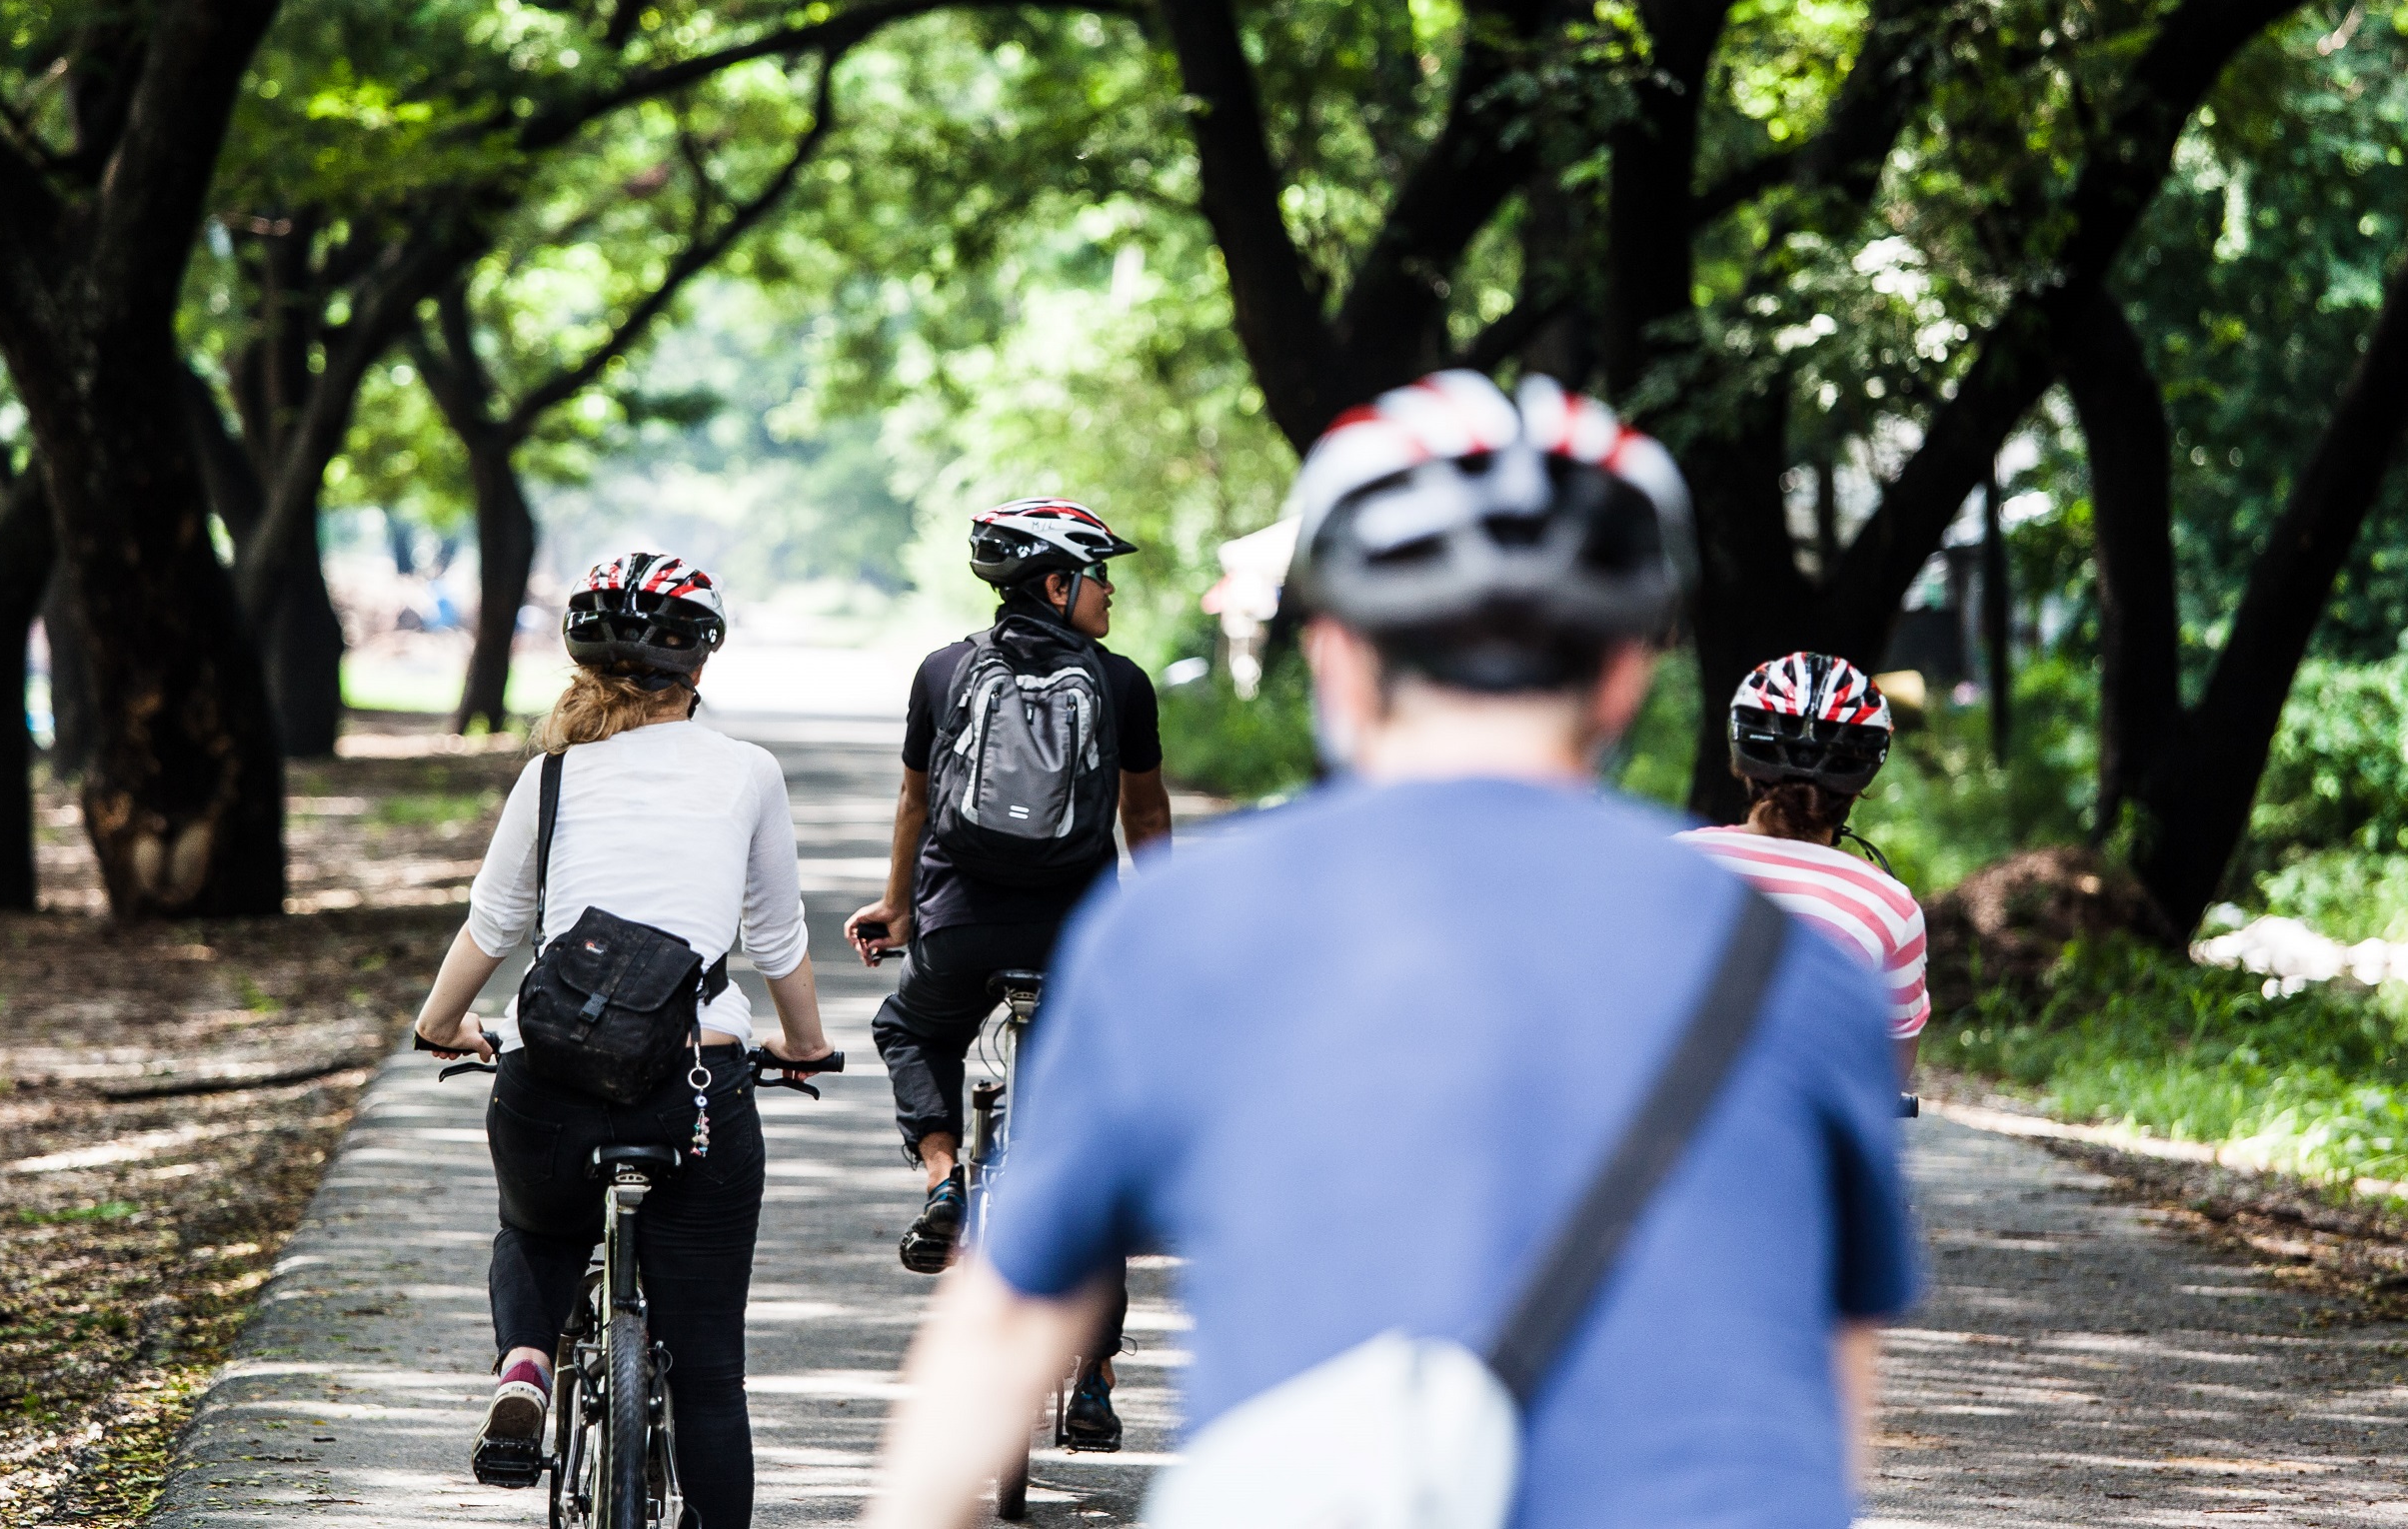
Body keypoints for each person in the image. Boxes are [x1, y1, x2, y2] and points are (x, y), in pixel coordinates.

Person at [863, 372, 1919, 1529]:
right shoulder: (1796, 968)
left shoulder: (1184, 931)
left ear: (1334, 655)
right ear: (1625, 673)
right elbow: (1830, 1384)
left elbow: (1003, 1334)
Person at [411, 553, 835, 1529]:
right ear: (700, 662)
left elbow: (492, 925)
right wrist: (804, 1045)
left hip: (550, 1074)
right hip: (695, 1084)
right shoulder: (748, 771)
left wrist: (439, 1026)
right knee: (710, 1378)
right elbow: (775, 937)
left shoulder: (551, 775)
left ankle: (527, 1360)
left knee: (534, 1228)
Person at [843, 496, 1171, 1450]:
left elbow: (914, 802)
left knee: (912, 1028)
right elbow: (1146, 819)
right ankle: (1095, 1377)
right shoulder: (1121, 683)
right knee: (1089, 1151)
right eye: (1099, 576)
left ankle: (945, 1176)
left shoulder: (942, 672)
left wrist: (898, 906)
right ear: (1056, 584)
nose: (1109, 592)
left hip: (960, 931)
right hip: (1077, 940)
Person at [1678, 653, 1928, 1083]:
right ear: (1862, 779)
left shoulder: (1676, 859)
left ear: (1742, 763)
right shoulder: (1892, 906)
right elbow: (1890, 1070)